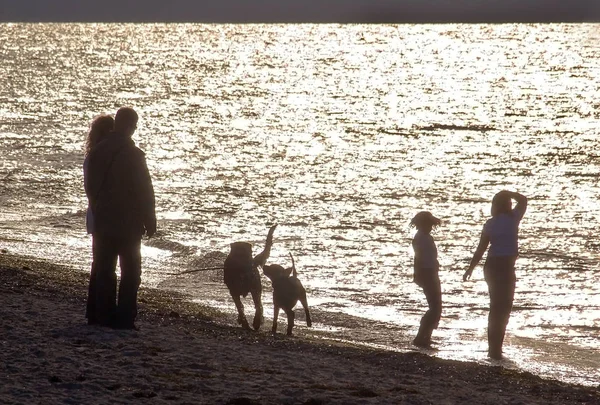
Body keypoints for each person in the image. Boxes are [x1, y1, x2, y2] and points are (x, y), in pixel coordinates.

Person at [85, 107, 156, 329]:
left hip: (103, 221)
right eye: (134, 126)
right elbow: (145, 189)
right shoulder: (133, 154)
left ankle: (103, 316)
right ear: (130, 126)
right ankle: (125, 318)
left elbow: (90, 186)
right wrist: (150, 219)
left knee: (105, 270)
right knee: (131, 272)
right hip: (129, 223)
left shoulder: (96, 151)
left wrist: (97, 208)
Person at [463, 190, 527, 359]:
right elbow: (523, 200)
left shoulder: (492, 223)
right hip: (502, 267)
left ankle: (495, 348)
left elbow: (481, 248)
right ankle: (495, 349)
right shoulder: (512, 218)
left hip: (493, 267)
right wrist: (510, 193)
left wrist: (471, 268)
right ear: (508, 205)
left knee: (498, 308)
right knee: (503, 308)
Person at [83, 114, 115, 325]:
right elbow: (92, 190)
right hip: (101, 215)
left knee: (99, 264)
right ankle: (98, 311)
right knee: (102, 265)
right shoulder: (98, 156)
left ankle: (94, 311)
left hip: (97, 215)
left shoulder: (93, 154)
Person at [410, 211, 442, 347]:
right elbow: (418, 258)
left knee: (436, 306)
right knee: (435, 307)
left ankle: (426, 336)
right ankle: (420, 337)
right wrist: (418, 274)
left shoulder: (425, 237)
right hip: (427, 273)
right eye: (429, 224)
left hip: (431, 273)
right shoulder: (420, 238)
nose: (431, 227)